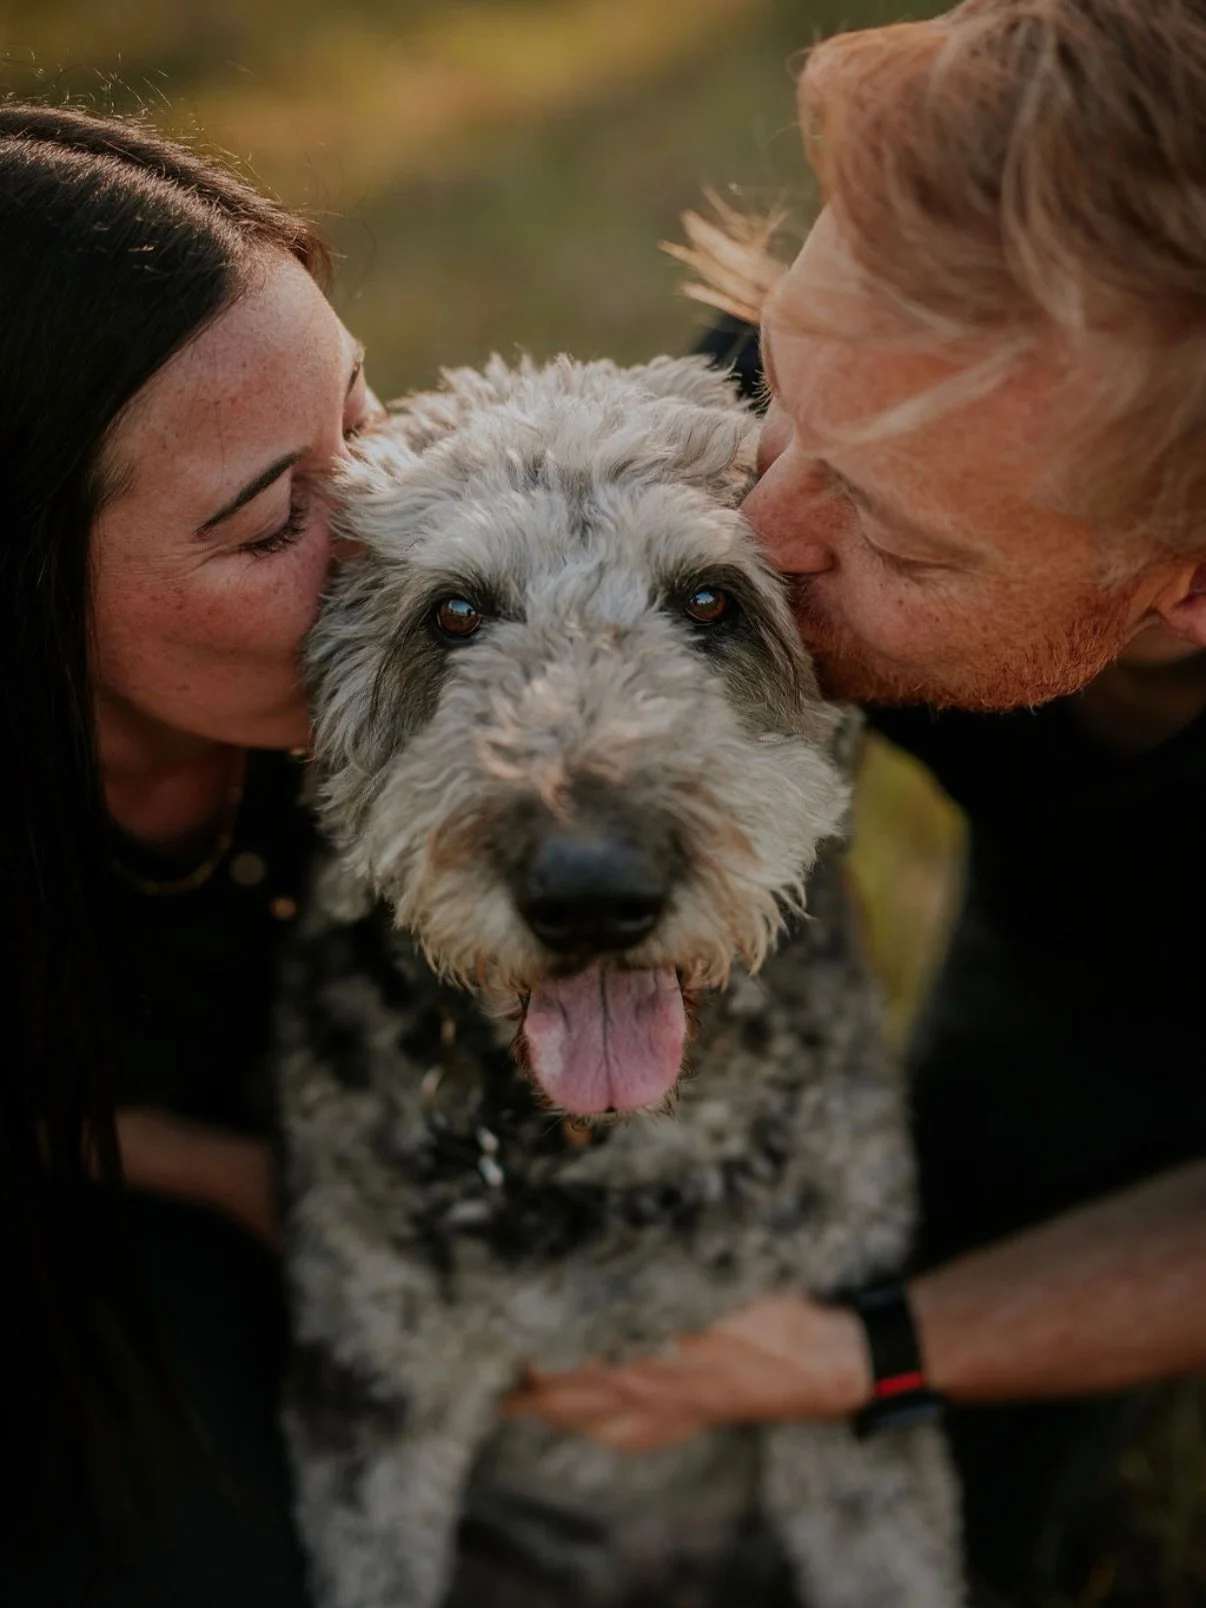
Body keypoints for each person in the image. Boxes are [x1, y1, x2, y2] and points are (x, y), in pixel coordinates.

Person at [504, 1, 1206, 1597]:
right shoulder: (842, 408)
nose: (756, 521)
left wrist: (863, 1353)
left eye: (895, 536)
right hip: (1073, 955)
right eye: (783, 397)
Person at [0, 102, 374, 1605]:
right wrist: (230, 1180)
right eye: (278, 513)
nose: (392, 525)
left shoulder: (447, 625)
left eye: (367, 412)